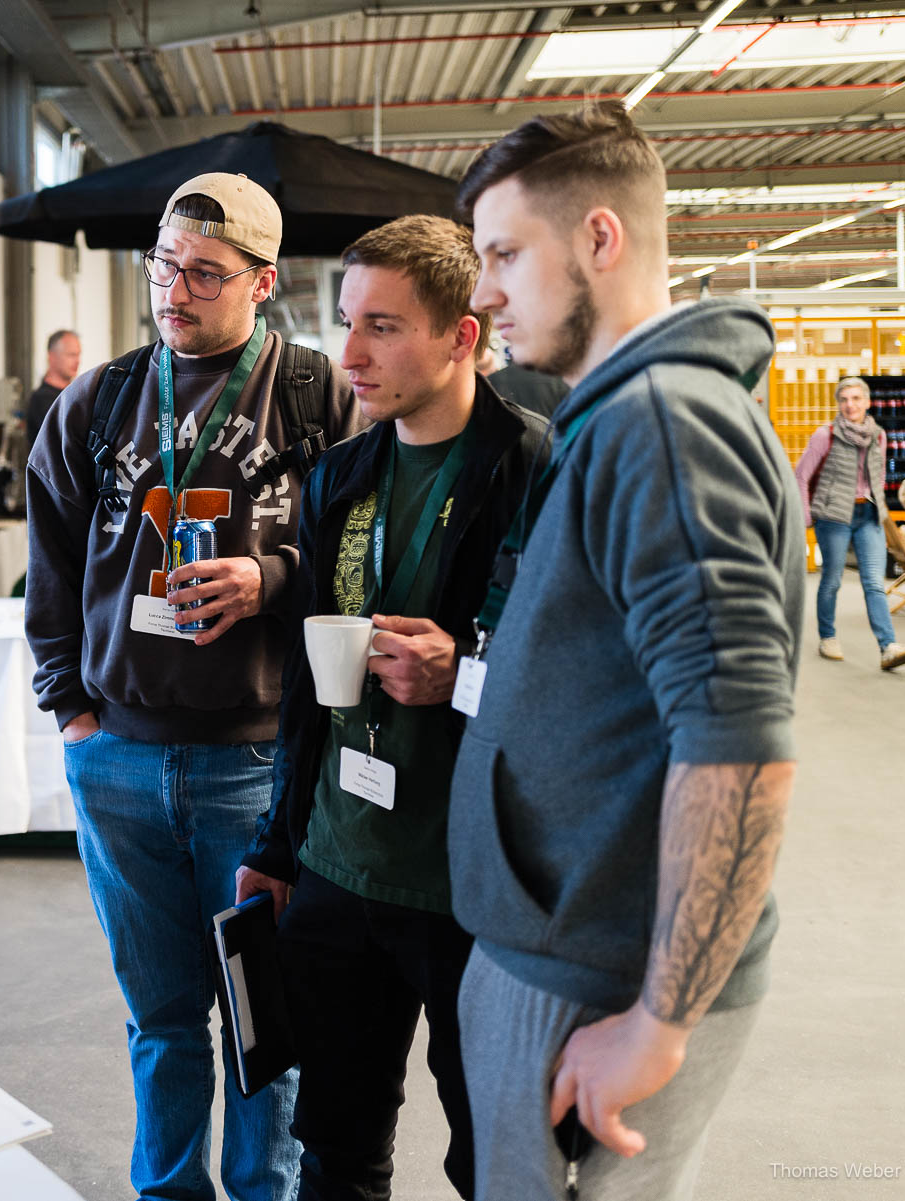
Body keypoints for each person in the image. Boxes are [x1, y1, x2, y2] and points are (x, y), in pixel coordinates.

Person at [452, 101, 802, 1199]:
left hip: (596, 977)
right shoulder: (619, 418)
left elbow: (738, 745)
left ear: (600, 239)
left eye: (506, 253)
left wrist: (658, 1017)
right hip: (574, 944)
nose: (483, 291)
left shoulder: (661, 421)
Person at [26, 172, 360, 1201]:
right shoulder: (102, 396)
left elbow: (368, 560)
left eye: (205, 274)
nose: (176, 289)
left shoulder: (317, 395)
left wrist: (273, 578)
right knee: (161, 1017)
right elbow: (49, 551)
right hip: (119, 758)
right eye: (165, 266)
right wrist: (71, 708)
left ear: (262, 282)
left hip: (257, 763)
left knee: (266, 1017)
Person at [237, 215, 547, 1200]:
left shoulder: (536, 469)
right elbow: (303, 686)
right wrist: (278, 843)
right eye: (344, 323)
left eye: (383, 326)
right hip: (338, 865)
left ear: (463, 335)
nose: (351, 355)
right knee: (335, 1147)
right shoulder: (340, 472)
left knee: (494, 1155)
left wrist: (464, 669)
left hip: (471, 891)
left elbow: (579, 684)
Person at [793, 376, 905, 670]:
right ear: (838, 403)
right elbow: (801, 475)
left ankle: (888, 647)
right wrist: (806, 515)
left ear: (867, 402)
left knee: (873, 582)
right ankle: (828, 637)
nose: (851, 405)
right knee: (832, 579)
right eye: (844, 399)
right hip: (833, 516)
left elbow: (880, 472)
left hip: (868, 516)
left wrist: (878, 506)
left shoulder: (879, 435)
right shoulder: (826, 435)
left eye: (856, 399)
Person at [28, 328, 82, 433]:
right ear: (52, 357)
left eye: (78, 354)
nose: (77, 361)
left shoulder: (75, 394)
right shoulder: (41, 400)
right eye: (71, 355)